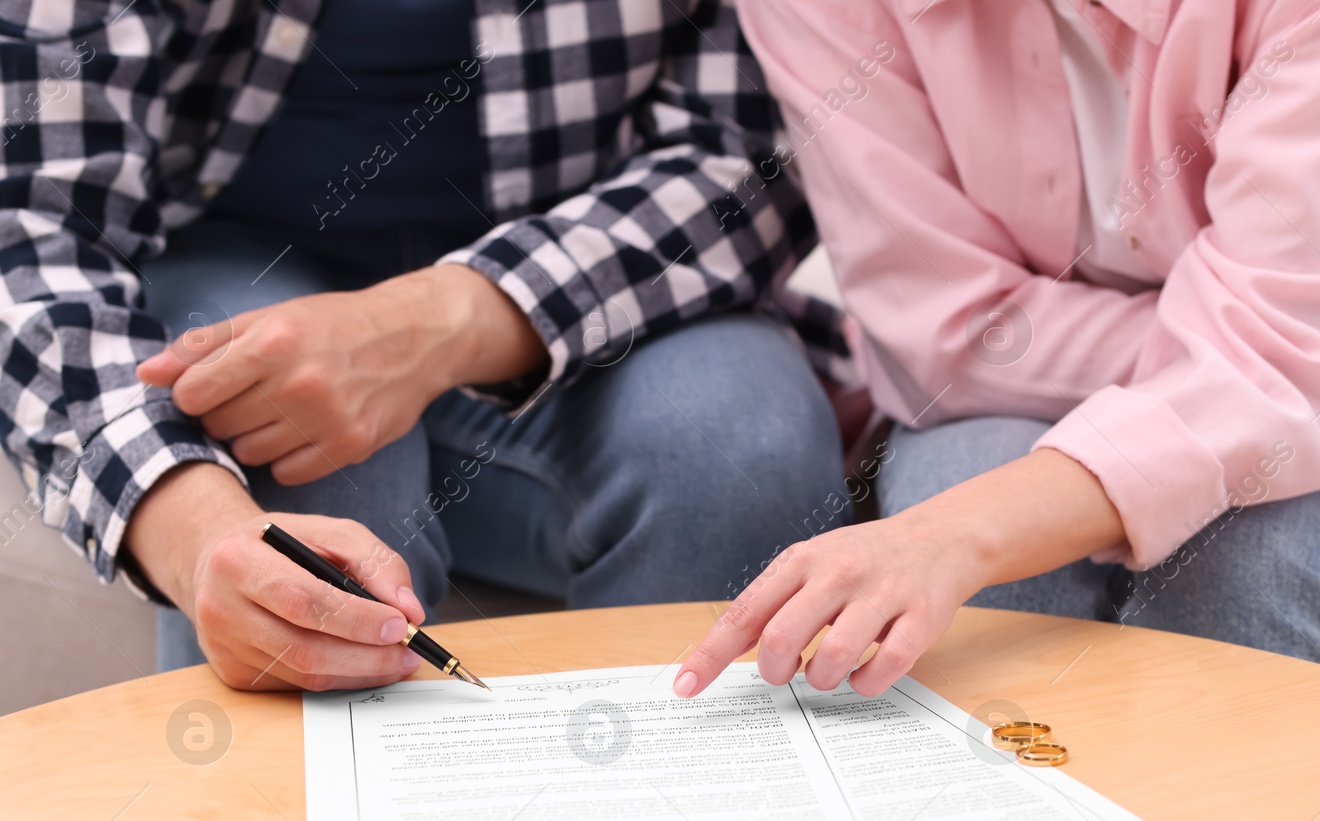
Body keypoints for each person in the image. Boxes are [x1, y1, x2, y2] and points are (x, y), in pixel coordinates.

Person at [676, 0, 1320, 768]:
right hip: (1071, 370)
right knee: (990, 601)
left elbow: (1311, 337)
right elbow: (948, 326)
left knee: (1246, 583)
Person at [0, 0, 845, 691]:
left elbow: (753, 150)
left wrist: (450, 320)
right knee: (297, 486)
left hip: (599, 269)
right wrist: (188, 526)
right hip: (228, 258)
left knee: (746, 455)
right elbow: (24, 220)